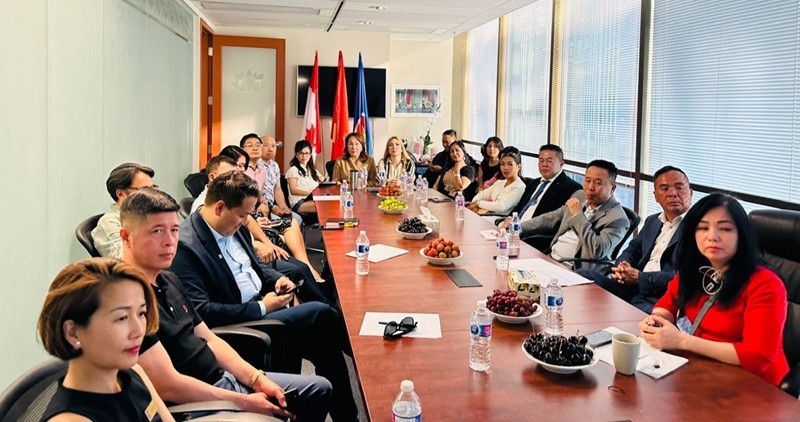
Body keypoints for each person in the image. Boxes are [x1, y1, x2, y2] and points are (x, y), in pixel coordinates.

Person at [120, 188, 333, 420]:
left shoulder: (167, 279)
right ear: (126, 237)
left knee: (318, 389)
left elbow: (210, 338)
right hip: (195, 403)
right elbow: (169, 385)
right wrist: (243, 401)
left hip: (222, 380)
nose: (170, 242)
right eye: (157, 231)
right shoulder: (127, 299)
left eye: (173, 230)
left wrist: (256, 379)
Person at [168, 172, 358, 420]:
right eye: (242, 215)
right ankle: (356, 351)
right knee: (322, 315)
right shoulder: (186, 247)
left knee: (325, 342)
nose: (246, 221)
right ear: (219, 207)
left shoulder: (234, 226)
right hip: (244, 324)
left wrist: (276, 279)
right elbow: (203, 312)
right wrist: (262, 308)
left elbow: (256, 268)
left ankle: (348, 415)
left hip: (264, 305)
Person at [639, 193, 789, 386]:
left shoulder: (765, 283)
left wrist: (681, 341)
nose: (712, 236)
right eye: (702, 228)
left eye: (725, 228)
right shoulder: (694, 269)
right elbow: (667, 303)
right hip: (704, 371)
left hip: (756, 384)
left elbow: (758, 356)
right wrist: (655, 322)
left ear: (741, 235)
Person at [37, 258, 173, 421]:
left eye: (141, 314)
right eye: (122, 318)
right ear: (73, 333)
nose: (138, 331)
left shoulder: (134, 373)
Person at [195, 155, 328, 285]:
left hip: (248, 253)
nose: (234, 178)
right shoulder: (203, 206)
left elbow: (247, 222)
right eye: (229, 174)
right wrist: (256, 245)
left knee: (299, 267)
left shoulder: (231, 196)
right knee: (297, 271)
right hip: (243, 263)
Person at [578, 166, 693, 313]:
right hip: (631, 288)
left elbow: (685, 277)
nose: (672, 193)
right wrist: (622, 268)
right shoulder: (653, 221)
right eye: (664, 188)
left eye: (679, 187)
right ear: (656, 196)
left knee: (630, 316)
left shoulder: (698, 228)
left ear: (690, 192)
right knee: (583, 277)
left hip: (660, 297)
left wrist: (640, 278)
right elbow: (632, 250)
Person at [520, 160, 629, 271]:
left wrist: (578, 216)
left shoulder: (618, 219)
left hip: (576, 270)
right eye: (587, 180)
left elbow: (597, 250)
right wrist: (518, 227)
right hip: (551, 258)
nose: (590, 187)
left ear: (613, 188)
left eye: (598, 183)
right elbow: (551, 218)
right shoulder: (579, 195)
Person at [92, 163, 156, 258]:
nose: (153, 194)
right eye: (145, 190)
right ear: (120, 194)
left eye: (153, 188)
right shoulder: (109, 223)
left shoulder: (152, 215)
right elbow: (125, 259)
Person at [241, 134, 299, 223]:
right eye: (266, 145)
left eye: (273, 146)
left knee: (295, 219)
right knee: (292, 222)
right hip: (252, 210)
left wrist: (284, 207)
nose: (270, 149)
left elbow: (277, 189)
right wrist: (272, 208)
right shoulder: (244, 167)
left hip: (267, 206)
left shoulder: (272, 166)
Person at [468, 146, 526, 216]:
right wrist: (475, 205)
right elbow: (481, 195)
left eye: (510, 164)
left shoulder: (519, 187)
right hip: (487, 216)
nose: (506, 168)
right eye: (502, 164)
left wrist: (478, 203)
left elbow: (501, 206)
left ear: (518, 167)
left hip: (500, 222)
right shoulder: (500, 182)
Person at [285, 140, 325, 214]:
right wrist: (310, 193)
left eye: (306, 153)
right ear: (297, 155)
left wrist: (335, 182)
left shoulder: (313, 170)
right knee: (322, 206)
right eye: (301, 153)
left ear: (310, 155)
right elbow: (293, 190)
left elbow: (325, 182)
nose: (304, 156)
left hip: (312, 199)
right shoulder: (293, 170)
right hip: (299, 202)